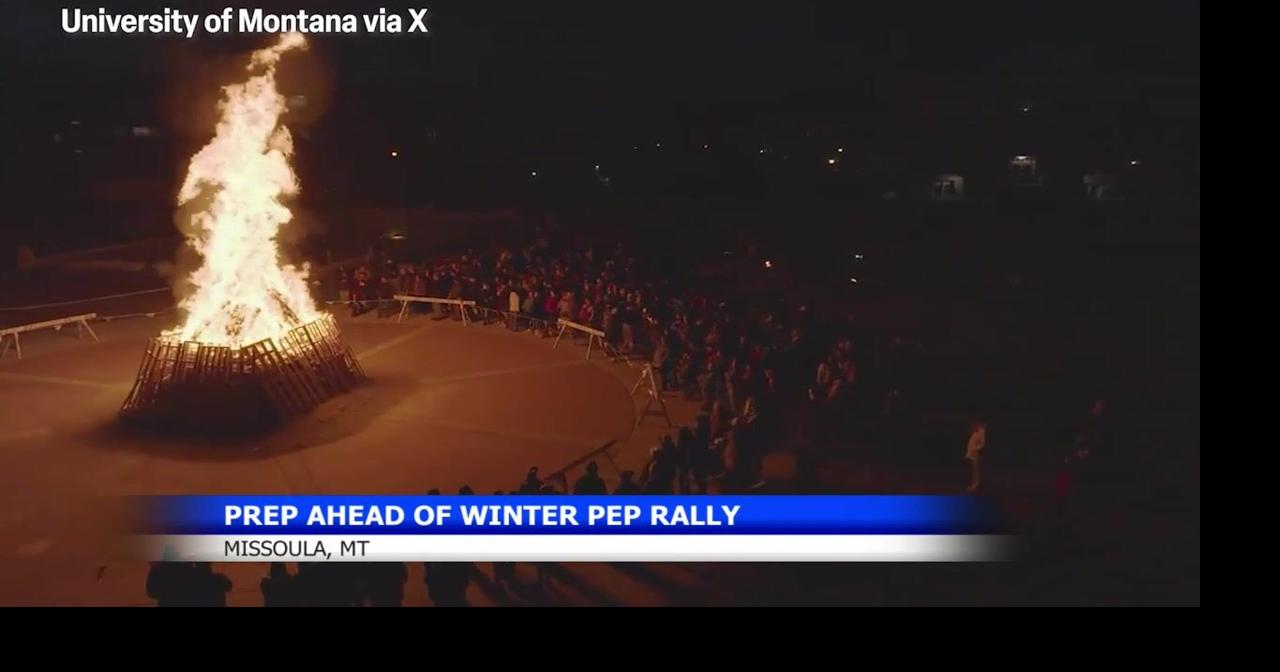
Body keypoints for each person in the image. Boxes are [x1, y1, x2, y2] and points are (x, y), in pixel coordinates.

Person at [966, 420, 987, 493]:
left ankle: (976, 485)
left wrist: (974, 449)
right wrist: (969, 453)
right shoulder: (976, 431)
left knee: (976, 470)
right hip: (972, 454)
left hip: (976, 454)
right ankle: (975, 484)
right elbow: (971, 443)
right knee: (974, 470)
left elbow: (982, 444)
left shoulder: (981, 431)